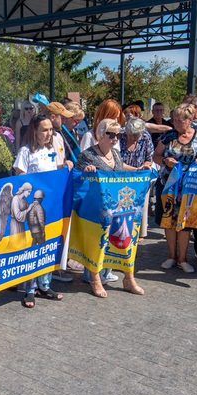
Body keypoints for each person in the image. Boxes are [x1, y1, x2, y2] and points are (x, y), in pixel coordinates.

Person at [78, 118, 144, 297]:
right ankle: (95, 278)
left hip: (116, 207)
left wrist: (138, 170)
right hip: (95, 209)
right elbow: (78, 178)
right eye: (111, 134)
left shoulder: (115, 153)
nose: (115, 139)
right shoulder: (87, 155)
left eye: (118, 135)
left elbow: (120, 169)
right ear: (100, 134)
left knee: (124, 241)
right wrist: (87, 170)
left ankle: (128, 278)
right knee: (97, 243)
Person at [9, 113, 66, 308]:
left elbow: (58, 173)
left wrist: (66, 166)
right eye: (44, 129)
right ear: (35, 130)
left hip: (50, 207)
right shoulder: (26, 151)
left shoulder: (54, 148)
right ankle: (30, 289)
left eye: (51, 129)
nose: (49, 133)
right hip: (33, 209)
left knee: (48, 245)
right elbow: (20, 177)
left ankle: (45, 285)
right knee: (33, 246)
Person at [153, 105, 197, 273]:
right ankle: (171, 256)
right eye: (174, 119)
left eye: (180, 120)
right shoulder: (168, 136)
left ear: (190, 120)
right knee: (169, 220)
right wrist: (165, 161)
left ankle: (183, 259)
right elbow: (156, 155)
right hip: (168, 184)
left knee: (185, 223)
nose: (176, 123)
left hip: (190, 185)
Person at [46, 100, 84, 165]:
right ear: (52, 117)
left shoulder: (59, 135)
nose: (64, 121)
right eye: (63, 118)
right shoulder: (44, 135)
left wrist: (65, 163)